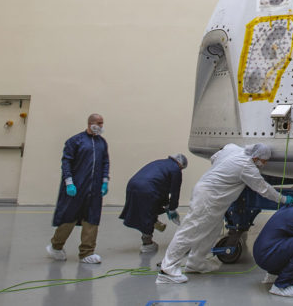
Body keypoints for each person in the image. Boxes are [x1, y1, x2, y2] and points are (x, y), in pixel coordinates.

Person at [156, 143, 293, 284]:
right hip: (209, 197)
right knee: (190, 230)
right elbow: (264, 189)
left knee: (212, 230)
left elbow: (214, 158)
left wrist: (225, 172)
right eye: (264, 161)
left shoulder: (232, 148)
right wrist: (283, 199)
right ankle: (167, 269)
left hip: (211, 196)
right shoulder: (246, 167)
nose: (264, 164)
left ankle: (196, 263)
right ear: (256, 157)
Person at [46, 113, 110, 264]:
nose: (101, 126)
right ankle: (56, 245)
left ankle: (87, 252)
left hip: (94, 189)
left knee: (92, 219)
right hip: (76, 186)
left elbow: (105, 162)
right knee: (69, 217)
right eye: (99, 123)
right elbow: (66, 162)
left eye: (102, 123)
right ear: (90, 123)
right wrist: (69, 182)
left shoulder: (102, 143)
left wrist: (105, 180)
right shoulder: (75, 141)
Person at [119, 153, 188, 253]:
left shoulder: (160, 163)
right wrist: (172, 208)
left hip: (132, 185)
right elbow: (175, 191)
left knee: (145, 208)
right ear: (181, 165)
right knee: (148, 213)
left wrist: (167, 205)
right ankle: (147, 244)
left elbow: (161, 187)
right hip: (147, 189)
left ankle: (154, 222)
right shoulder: (176, 169)